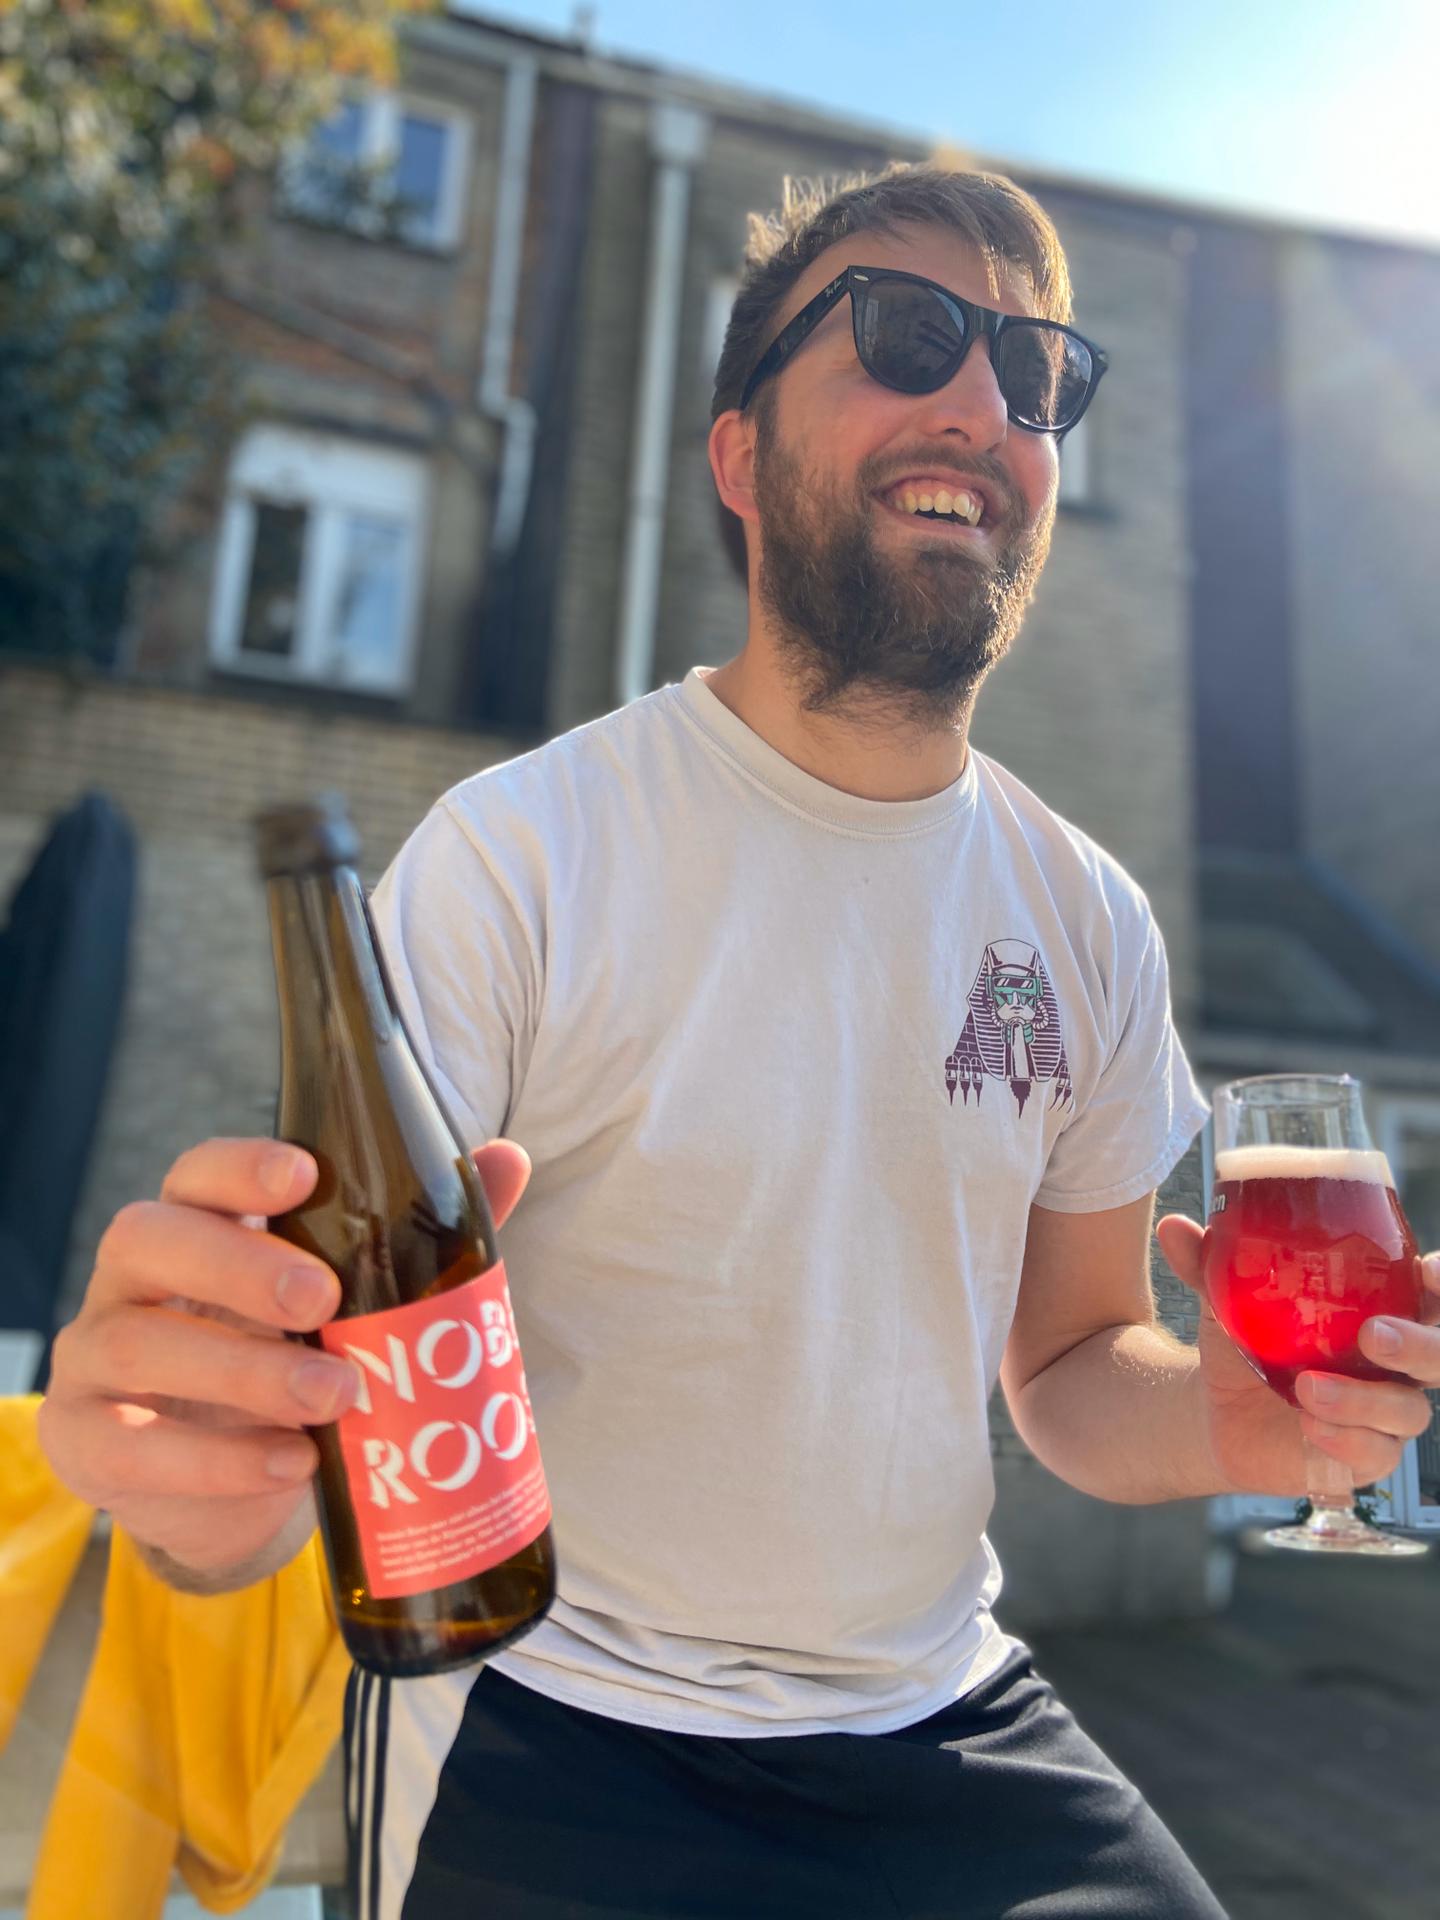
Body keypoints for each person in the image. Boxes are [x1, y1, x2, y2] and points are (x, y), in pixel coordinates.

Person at [39, 165, 1440, 1920]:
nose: (982, 403)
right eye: (907, 333)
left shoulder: (1088, 917)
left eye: (1036, 374)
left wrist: (1229, 1428)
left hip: (942, 1711)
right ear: (736, 455)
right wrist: (204, 1477)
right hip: (550, 1716)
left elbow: (1075, 1366)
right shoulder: (520, 853)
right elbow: (330, 1351)